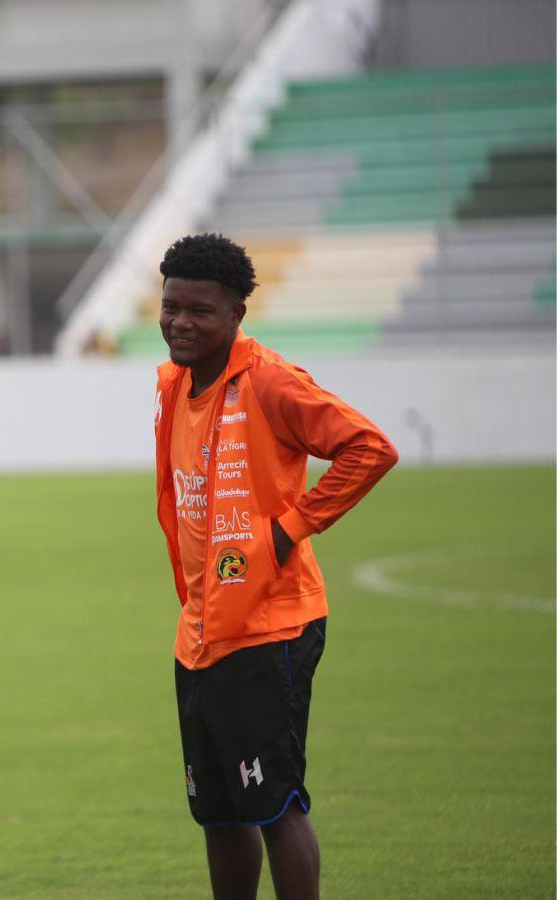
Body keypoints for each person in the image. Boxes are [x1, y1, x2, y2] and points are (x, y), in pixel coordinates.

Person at [153, 234, 398, 900]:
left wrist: (290, 530)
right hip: (202, 630)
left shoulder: (269, 381)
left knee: (274, 804)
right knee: (219, 810)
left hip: (270, 625)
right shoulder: (175, 384)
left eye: (199, 311)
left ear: (236, 314)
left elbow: (369, 449)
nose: (180, 321)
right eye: (171, 305)